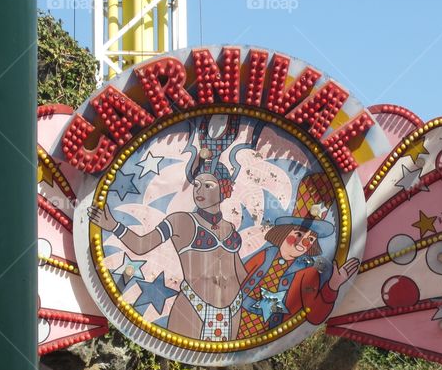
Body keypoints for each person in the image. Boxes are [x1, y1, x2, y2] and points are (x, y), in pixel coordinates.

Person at [89, 115, 256, 341]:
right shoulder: (181, 221)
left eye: (208, 185)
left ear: (224, 190)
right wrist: (115, 227)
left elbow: (240, 272)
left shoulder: (229, 227)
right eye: (196, 184)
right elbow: (141, 246)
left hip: (232, 311)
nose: (200, 190)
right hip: (193, 309)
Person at [236, 172, 360, 339]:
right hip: (235, 323)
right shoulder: (265, 255)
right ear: (285, 232)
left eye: (310, 239)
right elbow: (235, 282)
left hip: (265, 335)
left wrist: (332, 286)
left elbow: (314, 315)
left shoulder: (307, 272)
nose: (303, 243)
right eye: (299, 234)